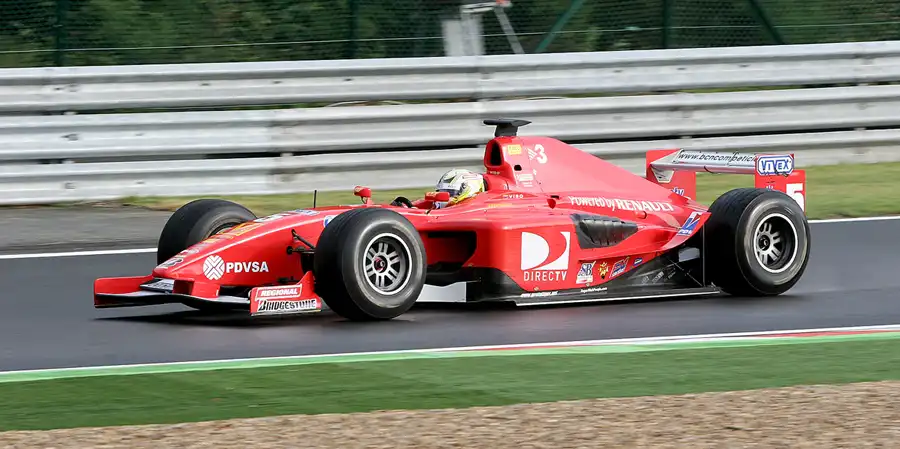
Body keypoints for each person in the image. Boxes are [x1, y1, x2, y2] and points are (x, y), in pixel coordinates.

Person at [391, 168, 486, 209]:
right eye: (442, 191)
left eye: (451, 192)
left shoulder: (472, 211)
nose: (443, 195)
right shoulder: (437, 205)